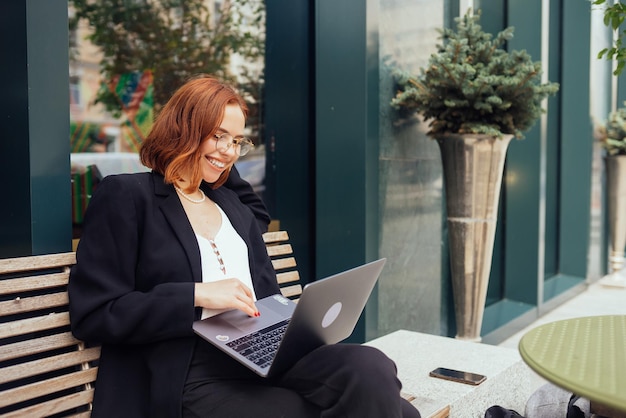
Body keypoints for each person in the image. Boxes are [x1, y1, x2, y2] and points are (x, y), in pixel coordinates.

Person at [68, 75, 421, 418]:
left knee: (371, 369)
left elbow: (251, 205)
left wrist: (215, 157)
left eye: (237, 141)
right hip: (190, 373)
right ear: (184, 129)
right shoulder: (128, 197)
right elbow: (95, 314)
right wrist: (195, 295)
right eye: (217, 135)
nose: (229, 150)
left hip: (263, 352)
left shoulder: (230, 205)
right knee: (390, 409)